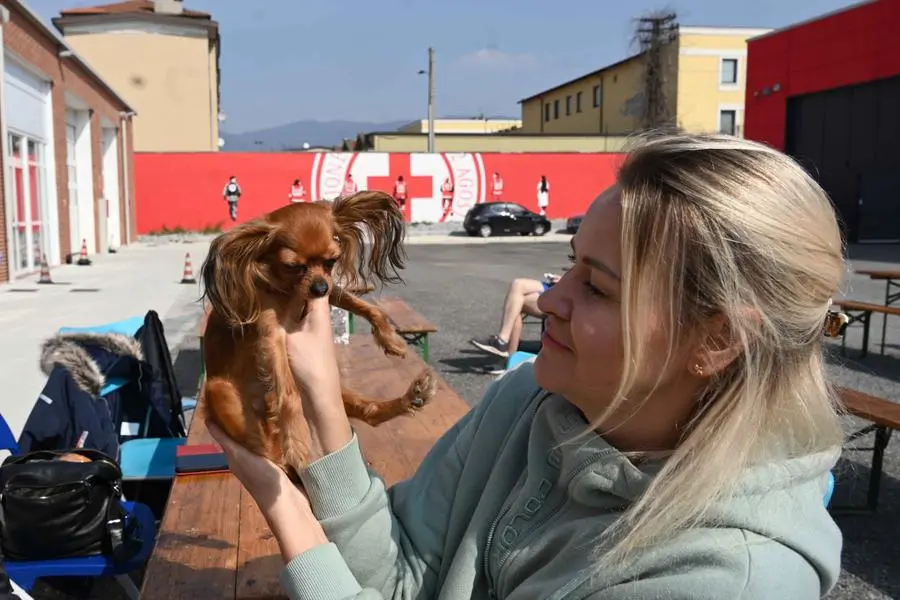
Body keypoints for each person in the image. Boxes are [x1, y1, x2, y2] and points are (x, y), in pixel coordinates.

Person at [208, 131, 845, 599]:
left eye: (596, 287)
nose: (550, 301)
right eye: (570, 264)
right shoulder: (524, 403)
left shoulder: (721, 579)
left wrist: (281, 499)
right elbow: (405, 579)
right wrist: (313, 410)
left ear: (717, 340)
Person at [470, 273, 560, 360]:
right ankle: (505, 349)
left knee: (517, 298)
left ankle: (504, 347)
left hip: (566, 296)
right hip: (560, 287)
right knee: (517, 292)